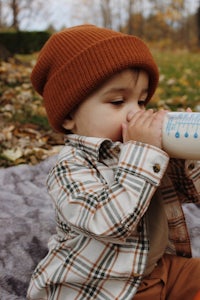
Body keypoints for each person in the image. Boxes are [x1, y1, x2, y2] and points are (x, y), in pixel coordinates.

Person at [27, 24, 200, 300]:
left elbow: (193, 194)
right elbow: (110, 223)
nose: (135, 114)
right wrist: (143, 153)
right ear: (69, 116)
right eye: (118, 101)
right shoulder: (70, 167)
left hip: (156, 270)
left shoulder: (145, 154)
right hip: (100, 287)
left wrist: (189, 153)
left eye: (142, 102)